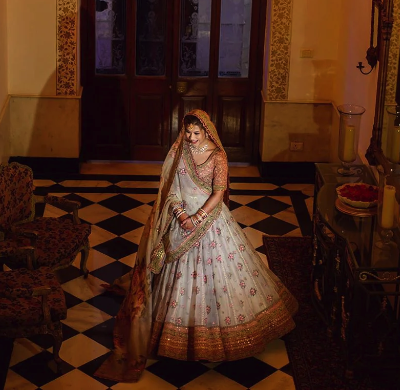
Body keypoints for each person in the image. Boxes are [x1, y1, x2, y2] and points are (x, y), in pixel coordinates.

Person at [97, 109, 298, 383]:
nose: (190, 138)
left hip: (210, 220)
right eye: (188, 133)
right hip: (180, 218)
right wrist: (181, 215)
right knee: (174, 276)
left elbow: (218, 192)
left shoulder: (218, 156)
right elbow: (173, 189)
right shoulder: (182, 151)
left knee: (221, 276)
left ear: (207, 131)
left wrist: (198, 217)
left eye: (196, 133)